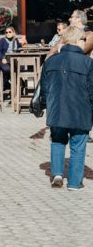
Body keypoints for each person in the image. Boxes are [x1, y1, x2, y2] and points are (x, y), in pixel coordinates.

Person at [40, 26, 93, 190]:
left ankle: (57, 174)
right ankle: (75, 182)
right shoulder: (88, 63)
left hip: (57, 110)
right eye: (83, 40)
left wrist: (45, 105)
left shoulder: (51, 61)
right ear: (78, 40)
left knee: (57, 141)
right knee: (78, 145)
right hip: (80, 111)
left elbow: (44, 88)